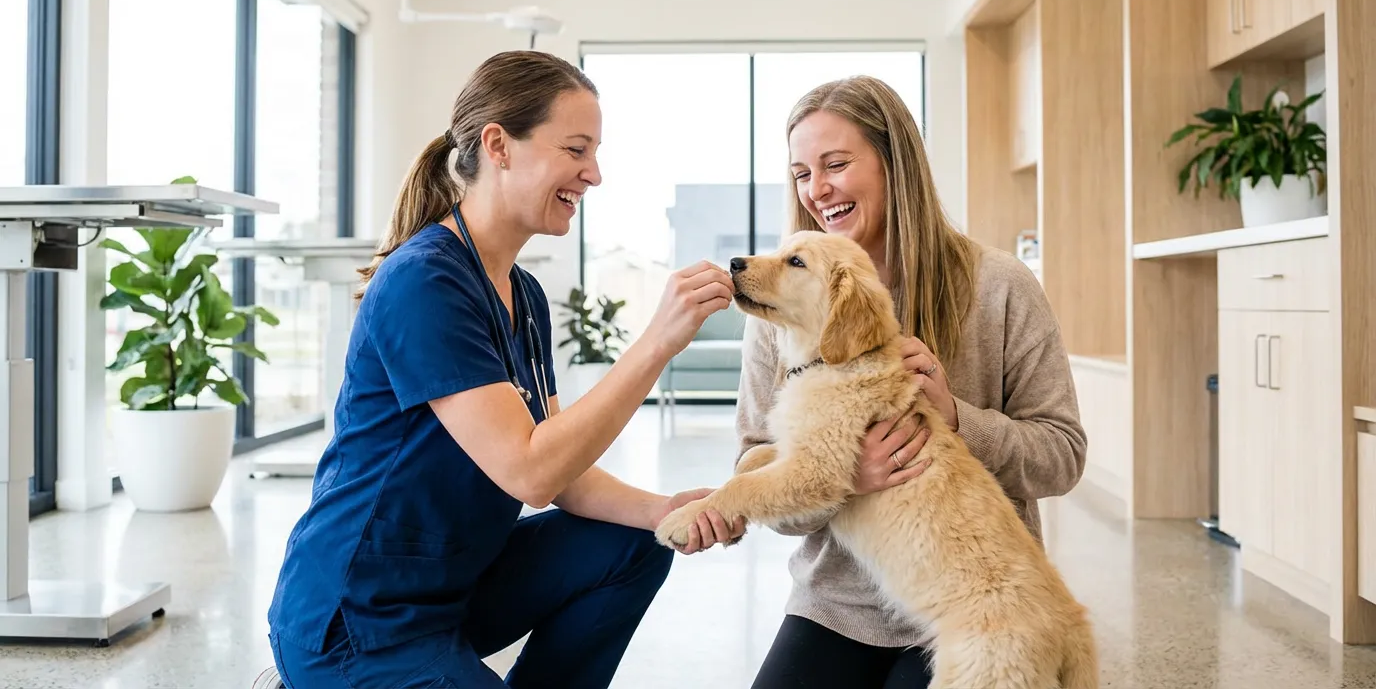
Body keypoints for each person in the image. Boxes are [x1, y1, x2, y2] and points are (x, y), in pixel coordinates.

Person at [264, 50, 744, 688]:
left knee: (634, 544)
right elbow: (531, 473)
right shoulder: (424, 281)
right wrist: (657, 342)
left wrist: (663, 510)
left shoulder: (524, 295)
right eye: (575, 150)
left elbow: (561, 468)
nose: (594, 174)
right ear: (499, 146)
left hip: (452, 590)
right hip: (359, 619)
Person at [739, 76, 1087, 688]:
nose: (817, 190)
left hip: (976, 601)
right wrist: (842, 477)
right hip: (835, 605)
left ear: (895, 164)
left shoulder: (1000, 286)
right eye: (801, 174)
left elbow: (1062, 457)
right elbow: (756, 467)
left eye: (836, 165)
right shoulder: (779, 304)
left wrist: (956, 419)